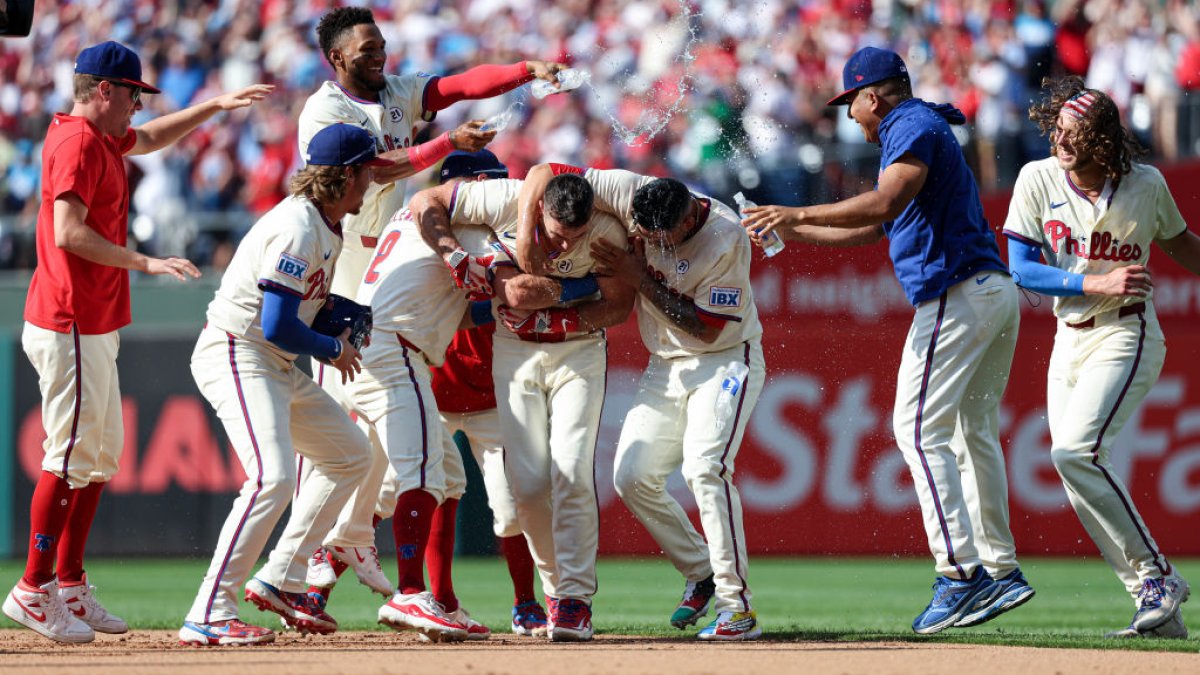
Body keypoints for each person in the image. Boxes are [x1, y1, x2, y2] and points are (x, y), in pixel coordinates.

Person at [741, 46, 1034, 634]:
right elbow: (878, 228)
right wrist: (794, 231)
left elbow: (885, 201)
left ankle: (960, 576)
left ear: (873, 96)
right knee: (971, 432)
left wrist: (792, 214)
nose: (851, 117)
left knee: (916, 429)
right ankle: (999, 569)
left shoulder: (910, 123)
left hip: (956, 294)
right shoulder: (919, 122)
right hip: (987, 290)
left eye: (853, 103)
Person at [1, 41, 270, 645]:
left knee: (97, 458)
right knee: (68, 455)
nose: (135, 107)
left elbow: (147, 139)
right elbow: (70, 234)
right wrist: (145, 262)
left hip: (93, 320)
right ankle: (32, 587)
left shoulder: (99, 136)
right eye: (130, 95)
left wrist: (214, 106)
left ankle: (68, 582)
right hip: (68, 317)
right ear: (104, 91)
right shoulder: (75, 141)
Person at [304, 150, 546, 639]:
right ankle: (409, 592)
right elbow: (511, 291)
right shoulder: (460, 225)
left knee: (441, 477)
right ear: (468, 186)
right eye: (485, 183)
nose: (492, 193)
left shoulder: (419, 224)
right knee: (413, 477)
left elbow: (457, 311)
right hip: (400, 353)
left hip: (383, 346)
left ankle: (427, 595)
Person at [521, 165, 767, 641]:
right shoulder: (632, 190)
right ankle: (701, 570)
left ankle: (736, 608)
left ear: (686, 219)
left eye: (658, 237)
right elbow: (547, 172)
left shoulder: (725, 239)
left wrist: (637, 277)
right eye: (641, 232)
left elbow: (706, 326)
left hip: (722, 360)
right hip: (665, 365)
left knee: (705, 469)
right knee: (632, 477)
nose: (648, 241)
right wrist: (528, 244)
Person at [1002, 78, 1200, 638]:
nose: (1062, 141)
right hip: (1070, 337)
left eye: (1076, 133)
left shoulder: (1145, 183)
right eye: (1059, 129)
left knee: (1074, 452)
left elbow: (1181, 242)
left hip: (1126, 333)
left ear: (1104, 140)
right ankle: (1153, 603)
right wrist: (1096, 279)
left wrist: (1111, 286)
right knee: (1075, 471)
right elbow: (1020, 267)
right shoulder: (1037, 177)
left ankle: (1158, 576)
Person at [298, 5, 565, 416]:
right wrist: (448, 143)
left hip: (388, 244)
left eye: (382, 47)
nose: (379, 56)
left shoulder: (396, 90)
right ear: (337, 57)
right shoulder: (325, 109)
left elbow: (460, 86)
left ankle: (393, 465)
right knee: (340, 383)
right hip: (342, 250)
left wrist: (526, 69)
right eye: (368, 49)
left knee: (386, 367)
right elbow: (372, 170)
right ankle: (329, 470)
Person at [177, 124, 383, 646]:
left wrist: (342, 311)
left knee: (351, 455)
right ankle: (209, 608)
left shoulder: (325, 224)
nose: (372, 179)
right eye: (366, 170)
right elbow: (275, 323)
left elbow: (300, 309)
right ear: (344, 176)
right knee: (271, 478)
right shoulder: (299, 226)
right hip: (237, 351)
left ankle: (282, 577)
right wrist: (334, 348)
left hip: (271, 362)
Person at [415, 172, 635, 641]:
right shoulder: (503, 200)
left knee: (572, 470)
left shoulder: (607, 231)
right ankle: (554, 589)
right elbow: (425, 198)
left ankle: (574, 598)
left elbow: (618, 305)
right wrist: (455, 251)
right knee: (529, 485)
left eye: (575, 237)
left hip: (577, 350)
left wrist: (561, 311)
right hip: (514, 351)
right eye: (557, 233)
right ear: (540, 209)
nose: (563, 245)